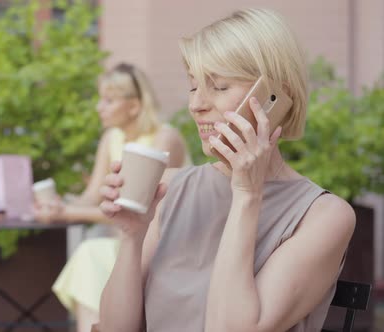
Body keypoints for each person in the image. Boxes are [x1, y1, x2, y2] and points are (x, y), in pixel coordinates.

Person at [98, 9, 355, 332]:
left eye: (218, 86)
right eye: (193, 87)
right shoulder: (170, 188)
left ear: (275, 98)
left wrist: (247, 194)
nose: (196, 105)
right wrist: (132, 236)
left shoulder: (325, 216)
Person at [35, 63, 190, 332]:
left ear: (134, 106)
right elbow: (92, 196)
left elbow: (136, 209)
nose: (99, 107)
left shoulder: (165, 139)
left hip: (164, 246)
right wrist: (60, 205)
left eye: (109, 100)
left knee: (90, 254)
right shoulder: (111, 138)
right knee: (90, 256)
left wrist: (68, 214)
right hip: (130, 243)